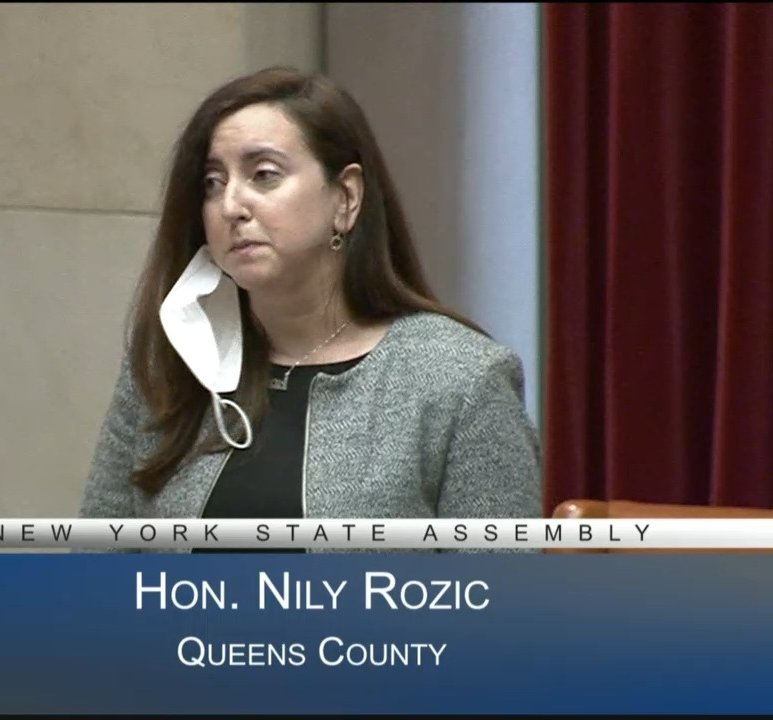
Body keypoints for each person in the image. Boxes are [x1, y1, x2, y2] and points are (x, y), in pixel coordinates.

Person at [78, 66, 542, 551]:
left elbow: (499, 594)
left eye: (263, 175)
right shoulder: (169, 363)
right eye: (213, 183)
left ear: (346, 198)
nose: (231, 205)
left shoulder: (459, 379)